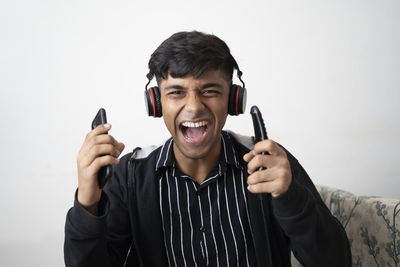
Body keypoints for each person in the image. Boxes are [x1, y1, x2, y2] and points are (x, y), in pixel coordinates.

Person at [64, 31, 352, 267]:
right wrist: (88, 202)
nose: (193, 106)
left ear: (233, 99)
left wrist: (290, 198)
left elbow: (336, 261)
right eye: (176, 92)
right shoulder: (130, 175)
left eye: (210, 91)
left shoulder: (270, 164)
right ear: (156, 103)